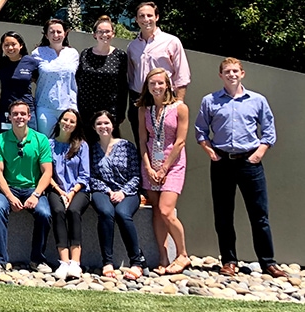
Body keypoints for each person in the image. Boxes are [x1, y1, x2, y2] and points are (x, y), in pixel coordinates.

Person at [194, 58, 288, 278]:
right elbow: (200, 130)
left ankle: (268, 262)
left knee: (259, 215)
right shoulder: (210, 101)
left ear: (242, 73)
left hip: (250, 163)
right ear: (220, 75)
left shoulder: (257, 100)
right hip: (222, 163)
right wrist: (210, 152)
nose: (231, 74)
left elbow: (268, 131)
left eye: (235, 71)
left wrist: (259, 153)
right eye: (227, 71)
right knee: (223, 215)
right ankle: (228, 261)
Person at [0, 101, 53, 274]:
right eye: (15, 114)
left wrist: (36, 195)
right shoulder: (0, 140)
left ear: (29, 117)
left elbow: (47, 173)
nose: (19, 117)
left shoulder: (41, 139)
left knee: (44, 213)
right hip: (9, 188)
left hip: (33, 188)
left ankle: (37, 259)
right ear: (10, 117)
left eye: (23, 114)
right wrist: (9, 196)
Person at [136, 68, 190, 274]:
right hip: (150, 165)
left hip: (173, 164)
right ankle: (163, 256)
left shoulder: (180, 108)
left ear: (167, 84)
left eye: (160, 83)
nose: (156, 87)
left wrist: (165, 167)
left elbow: (180, 141)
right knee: (157, 212)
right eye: (152, 84)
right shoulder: (143, 109)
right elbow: (142, 139)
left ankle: (183, 254)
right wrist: (148, 167)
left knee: (167, 210)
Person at [90, 110, 146, 280]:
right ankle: (107, 262)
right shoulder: (91, 149)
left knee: (122, 214)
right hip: (102, 191)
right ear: (94, 127)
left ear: (113, 125)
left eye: (106, 123)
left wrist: (122, 192)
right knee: (106, 213)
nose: (103, 126)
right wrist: (108, 191)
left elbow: (137, 175)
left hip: (127, 192)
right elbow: (90, 176)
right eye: (99, 123)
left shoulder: (127, 147)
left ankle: (136, 262)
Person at [127, 2, 191, 144]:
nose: (146, 19)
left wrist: (178, 103)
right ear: (136, 20)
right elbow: (131, 76)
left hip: (165, 99)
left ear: (156, 17)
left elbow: (182, 75)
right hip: (140, 100)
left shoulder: (171, 42)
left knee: (166, 143)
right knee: (142, 143)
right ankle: (146, 167)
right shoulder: (132, 46)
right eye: (141, 16)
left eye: (149, 15)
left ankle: (165, 167)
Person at [47, 109, 90, 280]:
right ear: (59, 121)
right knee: (58, 211)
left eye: (72, 121)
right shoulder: (49, 145)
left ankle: (75, 263)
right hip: (55, 189)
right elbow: (46, 174)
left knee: (73, 211)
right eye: (65, 119)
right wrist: (60, 192)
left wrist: (71, 193)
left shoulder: (82, 146)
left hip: (79, 190)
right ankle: (64, 262)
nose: (68, 124)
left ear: (76, 125)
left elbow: (85, 175)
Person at [75, 15, 128, 132]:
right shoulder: (85, 54)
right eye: (100, 31)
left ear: (113, 33)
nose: (104, 35)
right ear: (94, 34)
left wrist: (121, 111)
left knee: (109, 145)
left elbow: (123, 85)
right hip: (87, 110)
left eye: (108, 31)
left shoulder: (120, 56)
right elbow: (79, 80)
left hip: (110, 110)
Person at [31, 18, 78, 137]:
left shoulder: (73, 53)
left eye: (59, 31)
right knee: (46, 143)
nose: (55, 35)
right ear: (46, 35)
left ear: (65, 33)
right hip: (45, 107)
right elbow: (32, 76)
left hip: (69, 107)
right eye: (52, 32)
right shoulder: (38, 53)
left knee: (68, 143)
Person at [0, 32, 39, 131]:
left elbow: (37, 79)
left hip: (27, 109)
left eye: (13, 44)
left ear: (21, 45)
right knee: (7, 141)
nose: (10, 48)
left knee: (30, 141)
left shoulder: (30, 62)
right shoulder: (0, 62)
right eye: (6, 45)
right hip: (7, 110)